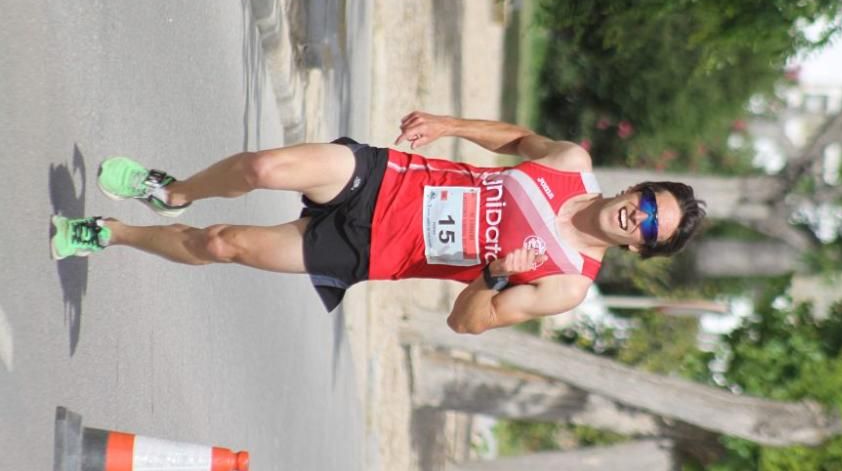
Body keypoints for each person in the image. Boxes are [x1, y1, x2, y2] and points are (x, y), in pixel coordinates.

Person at [50, 112, 706, 334]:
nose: (638, 216)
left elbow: (466, 320)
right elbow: (518, 140)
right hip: (387, 178)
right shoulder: (571, 162)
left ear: (642, 247)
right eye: (647, 202)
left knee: (227, 245)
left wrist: (494, 279)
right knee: (265, 168)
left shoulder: (568, 283)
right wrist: (448, 126)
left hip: (373, 248)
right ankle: (175, 192)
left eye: (650, 227)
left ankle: (112, 233)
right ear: (637, 186)